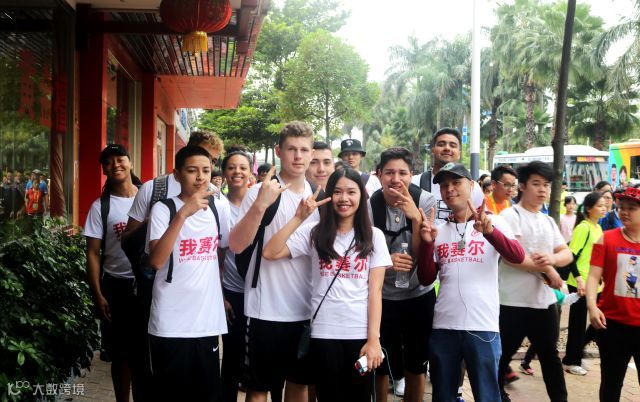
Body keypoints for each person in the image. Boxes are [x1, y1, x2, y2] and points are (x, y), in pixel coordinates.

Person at [263, 168, 391, 402]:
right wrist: (298, 217)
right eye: (338, 192)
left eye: (351, 192)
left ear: (361, 196)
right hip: (323, 333)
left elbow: (375, 290)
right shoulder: (314, 233)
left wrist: (374, 339)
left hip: (359, 335)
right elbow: (270, 252)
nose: (344, 198)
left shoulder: (374, 236)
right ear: (330, 195)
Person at [123, 130, 227, 399]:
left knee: (207, 394)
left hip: (206, 322)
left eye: (206, 170)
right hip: (170, 322)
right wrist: (183, 214)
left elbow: (229, 247)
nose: (200, 177)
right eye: (192, 170)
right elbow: (156, 260)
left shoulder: (219, 206)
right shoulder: (163, 208)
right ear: (177, 174)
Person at [417, 162, 525, 402]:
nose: (450, 189)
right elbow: (425, 278)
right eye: (444, 185)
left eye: (456, 182)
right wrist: (426, 244)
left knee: (486, 396)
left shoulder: (493, 222)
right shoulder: (438, 231)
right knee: (443, 396)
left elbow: (517, 256)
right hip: (444, 327)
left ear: (472, 185)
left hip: (482, 326)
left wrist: (490, 233)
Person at [229, 121, 318, 402]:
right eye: (291, 149)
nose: (298, 156)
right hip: (264, 309)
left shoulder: (318, 196)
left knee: (298, 385)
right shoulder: (260, 192)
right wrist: (260, 204)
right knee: (258, 389)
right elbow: (236, 245)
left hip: (305, 310)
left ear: (312, 153)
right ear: (279, 151)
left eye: (304, 150)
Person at [497, 161, 572, 402]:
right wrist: (549, 270)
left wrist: (553, 259)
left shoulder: (547, 221)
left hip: (543, 303)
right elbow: (513, 257)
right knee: (502, 356)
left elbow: (567, 254)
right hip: (512, 302)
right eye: (536, 184)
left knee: (550, 357)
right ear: (522, 186)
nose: (542, 190)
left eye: (546, 185)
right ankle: (497, 396)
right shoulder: (509, 216)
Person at [369, 147, 436, 402]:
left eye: (402, 173)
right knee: (380, 364)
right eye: (389, 173)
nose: (396, 179)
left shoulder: (425, 201)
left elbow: (421, 256)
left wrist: (416, 218)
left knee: (416, 365)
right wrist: (387, 262)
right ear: (379, 175)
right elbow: (363, 254)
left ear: (411, 175)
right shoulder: (369, 205)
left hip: (418, 294)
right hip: (382, 296)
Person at [84, 144, 141, 402]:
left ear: (130, 162)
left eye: (120, 159)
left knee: (145, 352)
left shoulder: (148, 197)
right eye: (108, 162)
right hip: (117, 287)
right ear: (104, 170)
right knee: (121, 355)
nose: (116, 164)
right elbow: (93, 253)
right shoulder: (101, 207)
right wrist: (98, 294)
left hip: (149, 284)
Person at [587, 186, 640, 402]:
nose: (624, 212)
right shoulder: (606, 239)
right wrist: (592, 306)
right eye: (621, 207)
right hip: (613, 325)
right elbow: (593, 277)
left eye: (632, 208)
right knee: (611, 383)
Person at [218, 149, 254, 402]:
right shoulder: (218, 206)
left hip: (260, 292)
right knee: (232, 355)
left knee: (257, 359)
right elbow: (216, 255)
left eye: (242, 167)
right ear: (224, 173)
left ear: (251, 172)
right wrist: (221, 295)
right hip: (232, 291)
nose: (237, 172)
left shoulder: (261, 203)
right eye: (231, 167)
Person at [562, 191, 606, 376]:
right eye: (599, 205)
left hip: (596, 283)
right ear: (588, 208)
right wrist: (579, 279)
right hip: (580, 281)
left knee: (599, 319)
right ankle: (571, 361)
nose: (604, 208)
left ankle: (576, 354)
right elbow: (570, 256)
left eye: (605, 205)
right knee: (578, 323)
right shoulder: (583, 228)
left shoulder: (598, 228)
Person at [412, 127, 484, 225]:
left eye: (452, 145)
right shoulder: (415, 183)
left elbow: (481, 219)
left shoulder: (474, 187)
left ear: (459, 153)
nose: (447, 148)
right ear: (433, 150)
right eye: (441, 144)